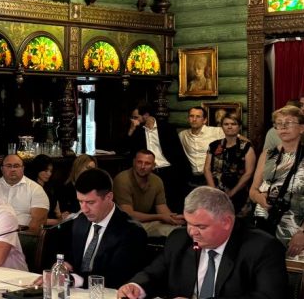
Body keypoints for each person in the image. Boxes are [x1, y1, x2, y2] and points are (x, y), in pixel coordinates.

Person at [117, 186, 288, 299]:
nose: (192, 232)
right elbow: (153, 273)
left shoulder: (263, 248)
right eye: (188, 223)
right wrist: (136, 287)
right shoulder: (179, 239)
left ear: (226, 222)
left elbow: (267, 297)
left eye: (201, 226)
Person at [46, 168, 147, 290]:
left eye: (90, 202)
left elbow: (117, 277)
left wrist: (75, 279)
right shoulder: (80, 221)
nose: (84, 209)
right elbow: (67, 256)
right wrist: (62, 266)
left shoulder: (132, 232)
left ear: (108, 197)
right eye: (80, 201)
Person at [250, 105, 304, 252]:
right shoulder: (267, 154)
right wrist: (259, 198)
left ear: (301, 128)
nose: (283, 127)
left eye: (289, 122)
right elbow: (253, 190)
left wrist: (303, 233)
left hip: (295, 228)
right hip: (263, 225)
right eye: (279, 123)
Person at [125, 103, 188, 212]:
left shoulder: (167, 128)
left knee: (173, 205)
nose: (133, 120)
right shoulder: (137, 131)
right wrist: (131, 130)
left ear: (146, 115)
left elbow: (178, 153)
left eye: (136, 117)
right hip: (148, 172)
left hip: (168, 170)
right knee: (150, 207)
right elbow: (124, 150)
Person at [113, 150, 184, 237]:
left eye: (147, 163)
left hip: (146, 222)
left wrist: (174, 218)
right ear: (134, 162)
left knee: (178, 230)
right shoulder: (122, 180)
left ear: (153, 166)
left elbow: (162, 208)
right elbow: (128, 215)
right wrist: (160, 217)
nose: (142, 166)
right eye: (139, 162)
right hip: (124, 224)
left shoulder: (157, 181)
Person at [203, 114, 255, 214]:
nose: (229, 126)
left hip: (238, 192)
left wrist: (232, 192)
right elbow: (207, 169)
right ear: (222, 127)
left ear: (239, 127)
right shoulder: (214, 145)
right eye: (226, 124)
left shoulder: (247, 147)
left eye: (233, 124)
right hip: (215, 191)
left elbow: (249, 173)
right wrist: (214, 190)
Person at [0, 154, 49, 232]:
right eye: (9, 166)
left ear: (23, 168)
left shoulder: (36, 189)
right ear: (2, 169)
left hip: (23, 235)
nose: (13, 169)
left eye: (16, 166)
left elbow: (38, 222)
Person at [179, 106, 225, 189]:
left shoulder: (217, 131)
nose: (194, 119)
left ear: (205, 120)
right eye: (191, 116)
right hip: (191, 179)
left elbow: (238, 138)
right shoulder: (182, 135)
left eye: (198, 116)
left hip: (212, 177)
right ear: (188, 119)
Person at [56, 154, 96, 218]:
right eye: (88, 168)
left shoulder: (94, 188)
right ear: (78, 167)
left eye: (93, 170)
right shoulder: (64, 188)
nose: (90, 172)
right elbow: (63, 213)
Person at [26, 155, 57, 222]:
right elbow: (32, 219)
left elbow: (57, 210)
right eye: (46, 171)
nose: (49, 174)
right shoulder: (31, 188)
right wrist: (56, 221)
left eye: (51, 171)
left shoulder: (50, 187)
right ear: (38, 169)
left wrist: (61, 216)